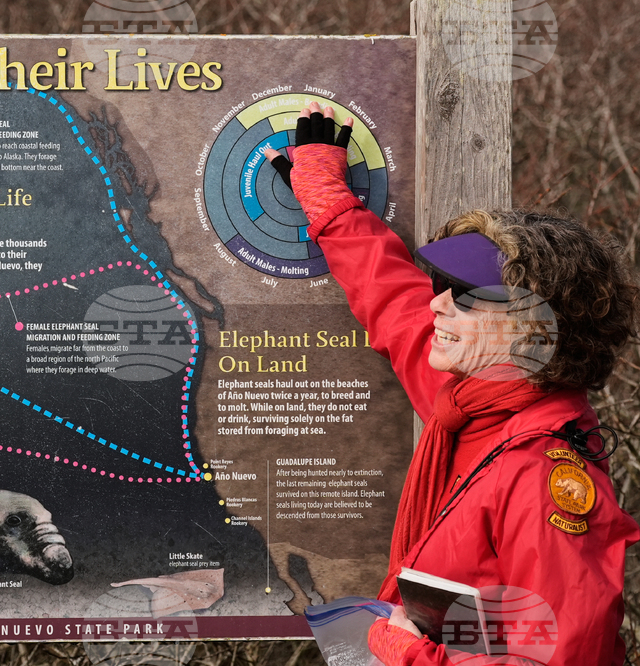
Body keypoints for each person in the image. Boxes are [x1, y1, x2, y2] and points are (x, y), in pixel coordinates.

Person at [266, 102, 640, 665]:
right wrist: (332, 206)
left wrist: (410, 654)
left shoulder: (543, 476)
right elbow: (394, 301)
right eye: (441, 280)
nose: (437, 301)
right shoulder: (472, 402)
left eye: (463, 292)